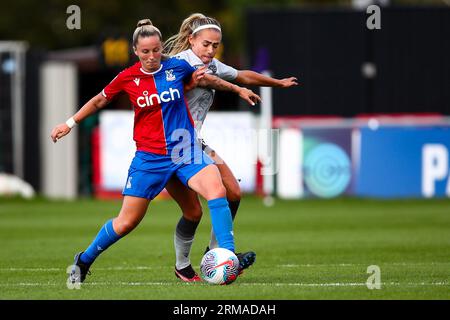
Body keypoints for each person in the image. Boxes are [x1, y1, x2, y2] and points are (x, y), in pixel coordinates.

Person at [51, 19, 259, 284]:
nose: (152, 56)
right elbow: (99, 99)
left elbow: (209, 80)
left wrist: (238, 88)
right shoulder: (128, 77)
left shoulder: (179, 67)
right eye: (145, 51)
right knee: (127, 222)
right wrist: (69, 123)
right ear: (136, 51)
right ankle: (84, 260)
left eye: (156, 50)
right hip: (150, 158)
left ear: (162, 48)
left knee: (216, 191)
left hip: (185, 149)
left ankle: (227, 256)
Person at [163, 13, 299, 282]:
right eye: (206, 44)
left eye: (216, 45)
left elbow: (242, 75)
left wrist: (278, 83)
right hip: (172, 144)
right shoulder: (179, 64)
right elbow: (207, 81)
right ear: (191, 40)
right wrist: (236, 90)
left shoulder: (211, 63)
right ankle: (184, 266)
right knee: (192, 213)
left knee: (233, 192)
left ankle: (217, 253)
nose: (211, 50)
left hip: (196, 141)